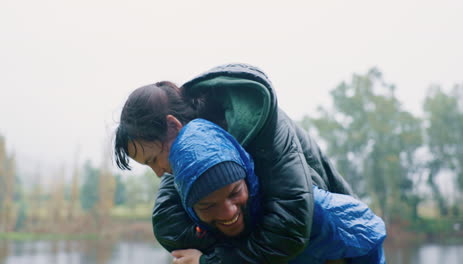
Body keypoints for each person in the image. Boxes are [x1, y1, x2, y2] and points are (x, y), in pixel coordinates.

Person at [114, 64, 358, 263]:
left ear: (174, 126)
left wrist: (212, 261)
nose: (159, 173)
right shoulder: (185, 156)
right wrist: (230, 240)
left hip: (343, 243)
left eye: (154, 159)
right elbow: (166, 223)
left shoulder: (264, 128)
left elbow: (289, 229)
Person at [169, 118, 386, 264]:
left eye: (234, 193)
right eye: (208, 205)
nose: (228, 213)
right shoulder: (196, 237)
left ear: (247, 180)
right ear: (191, 208)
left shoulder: (302, 210)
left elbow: (369, 230)